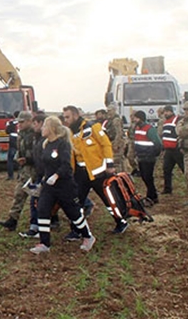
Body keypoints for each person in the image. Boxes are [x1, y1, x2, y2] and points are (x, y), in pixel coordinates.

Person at [29, 116, 96, 254]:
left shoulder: (63, 144)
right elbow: (45, 166)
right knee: (42, 209)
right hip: (49, 186)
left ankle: (88, 236)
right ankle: (44, 243)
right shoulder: (45, 144)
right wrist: (41, 180)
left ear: (52, 128)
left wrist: (57, 175)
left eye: (44, 126)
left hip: (64, 186)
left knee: (73, 213)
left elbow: (67, 166)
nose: (42, 129)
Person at [63, 105, 128, 237]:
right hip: (81, 173)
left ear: (75, 115)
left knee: (109, 200)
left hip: (98, 173)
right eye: (64, 117)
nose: (65, 120)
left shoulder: (93, 127)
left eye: (67, 117)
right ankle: (77, 230)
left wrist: (110, 164)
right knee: (77, 202)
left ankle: (121, 221)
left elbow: (106, 144)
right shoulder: (70, 132)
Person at [0, 111, 37, 230]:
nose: (19, 124)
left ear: (30, 121)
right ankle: (12, 220)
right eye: (18, 122)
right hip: (24, 169)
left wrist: (28, 160)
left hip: (35, 170)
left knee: (36, 198)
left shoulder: (35, 134)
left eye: (22, 122)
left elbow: (38, 153)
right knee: (19, 194)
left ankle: (44, 221)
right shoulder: (21, 134)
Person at [132, 110, 162, 204]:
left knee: (148, 177)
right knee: (144, 177)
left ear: (140, 118)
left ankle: (151, 197)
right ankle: (152, 195)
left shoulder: (149, 129)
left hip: (149, 157)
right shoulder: (137, 128)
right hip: (141, 157)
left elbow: (158, 143)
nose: (134, 119)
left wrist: (154, 153)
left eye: (136, 118)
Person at [161, 105, 184, 195]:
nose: (165, 113)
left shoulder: (177, 120)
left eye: (167, 111)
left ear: (171, 112)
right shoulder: (166, 122)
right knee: (166, 169)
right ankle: (167, 189)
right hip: (168, 150)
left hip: (177, 149)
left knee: (184, 169)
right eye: (164, 112)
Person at [104, 103, 127, 173]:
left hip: (117, 142)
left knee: (117, 161)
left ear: (114, 110)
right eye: (108, 111)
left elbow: (119, 133)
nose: (108, 112)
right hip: (113, 141)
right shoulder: (110, 120)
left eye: (110, 111)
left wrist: (116, 144)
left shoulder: (116, 120)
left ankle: (120, 174)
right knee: (120, 160)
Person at [5, 111, 19, 180]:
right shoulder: (22, 122)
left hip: (12, 139)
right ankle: (19, 175)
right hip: (20, 139)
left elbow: (7, 131)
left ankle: (10, 176)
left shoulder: (10, 123)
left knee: (10, 158)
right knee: (20, 158)